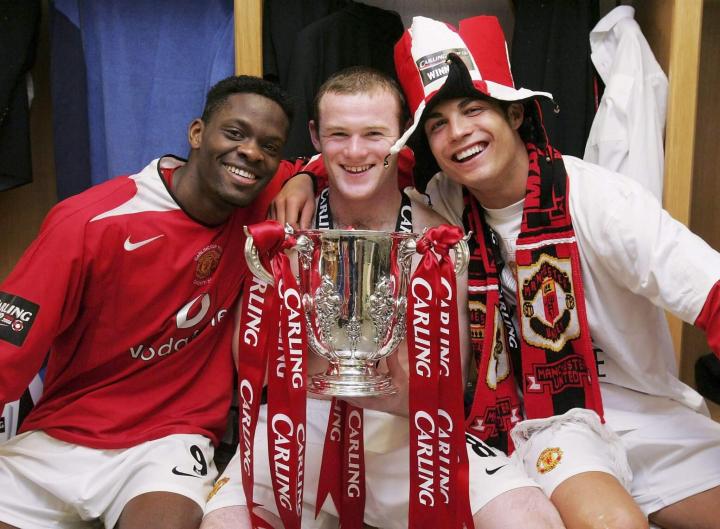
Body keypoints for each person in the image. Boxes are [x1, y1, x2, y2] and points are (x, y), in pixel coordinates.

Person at [201, 67, 566, 529]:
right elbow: (253, 363)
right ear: (315, 136)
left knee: (530, 519)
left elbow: (450, 381)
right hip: (301, 423)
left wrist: (378, 384)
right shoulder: (287, 227)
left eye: (374, 134)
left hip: (410, 430)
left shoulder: (438, 238)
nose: (355, 152)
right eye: (339, 134)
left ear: (403, 137)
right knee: (224, 524)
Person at [393, 15, 720, 529]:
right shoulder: (444, 207)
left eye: (473, 109)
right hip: (552, 421)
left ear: (515, 114)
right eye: (437, 124)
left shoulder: (598, 199)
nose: (458, 133)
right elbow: (363, 166)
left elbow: (708, 289)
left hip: (649, 412)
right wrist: (304, 174)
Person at [0, 75, 316, 529]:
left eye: (269, 146)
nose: (251, 152)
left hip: (168, 441)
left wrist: (306, 176)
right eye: (235, 133)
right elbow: (8, 349)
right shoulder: (91, 221)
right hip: (62, 435)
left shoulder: (258, 198)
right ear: (197, 133)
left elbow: (355, 156)